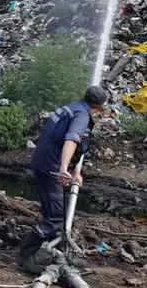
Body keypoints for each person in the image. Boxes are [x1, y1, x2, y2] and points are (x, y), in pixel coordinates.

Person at [18, 85, 109, 271]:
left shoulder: (74, 107)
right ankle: (26, 256)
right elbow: (71, 140)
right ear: (100, 107)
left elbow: (69, 143)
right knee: (56, 218)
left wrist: (75, 171)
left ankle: (56, 253)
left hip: (45, 161)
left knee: (63, 211)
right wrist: (62, 168)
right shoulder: (82, 116)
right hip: (51, 167)